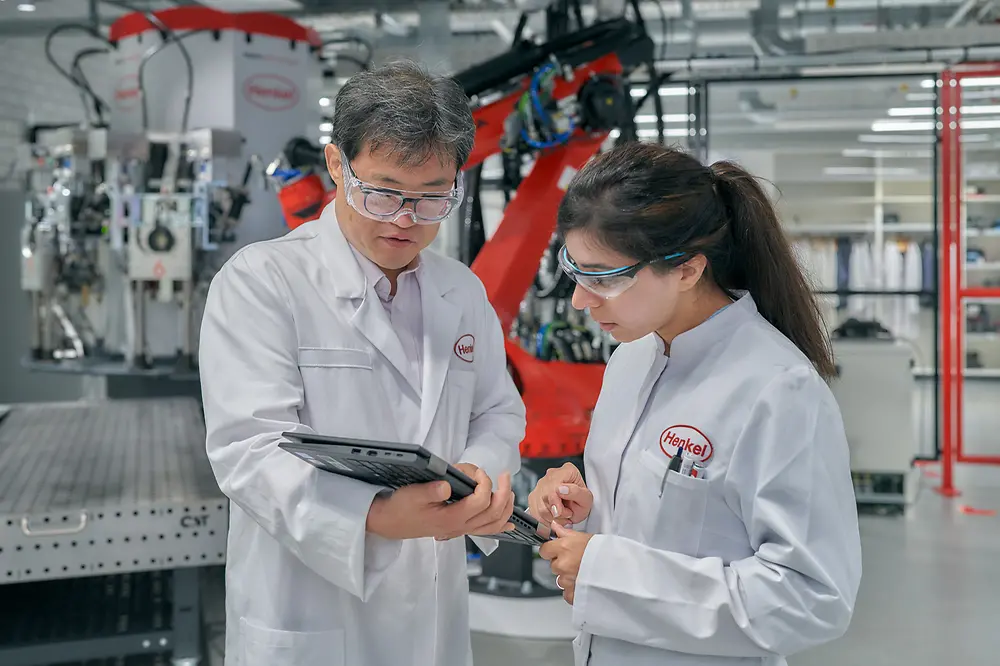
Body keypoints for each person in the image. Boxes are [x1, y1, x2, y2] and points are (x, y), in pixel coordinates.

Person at [199, 61, 526, 666]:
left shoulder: (461, 290)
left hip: (433, 614)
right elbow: (249, 451)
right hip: (309, 613)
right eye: (383, 192)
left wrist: (474, 479)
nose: (404, 219)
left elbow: (498, 412)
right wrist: (374, 516)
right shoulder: (263, 281)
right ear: (336, 165)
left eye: (432, 198)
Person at [527, 142, 862, 666]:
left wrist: (606, 573)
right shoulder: (631, 359)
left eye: (605, 278)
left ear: (687, 270)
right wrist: (584, 513)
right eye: (575, 270)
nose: (580, 300)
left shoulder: (777, 389)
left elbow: (810, 598)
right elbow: (659, 532)